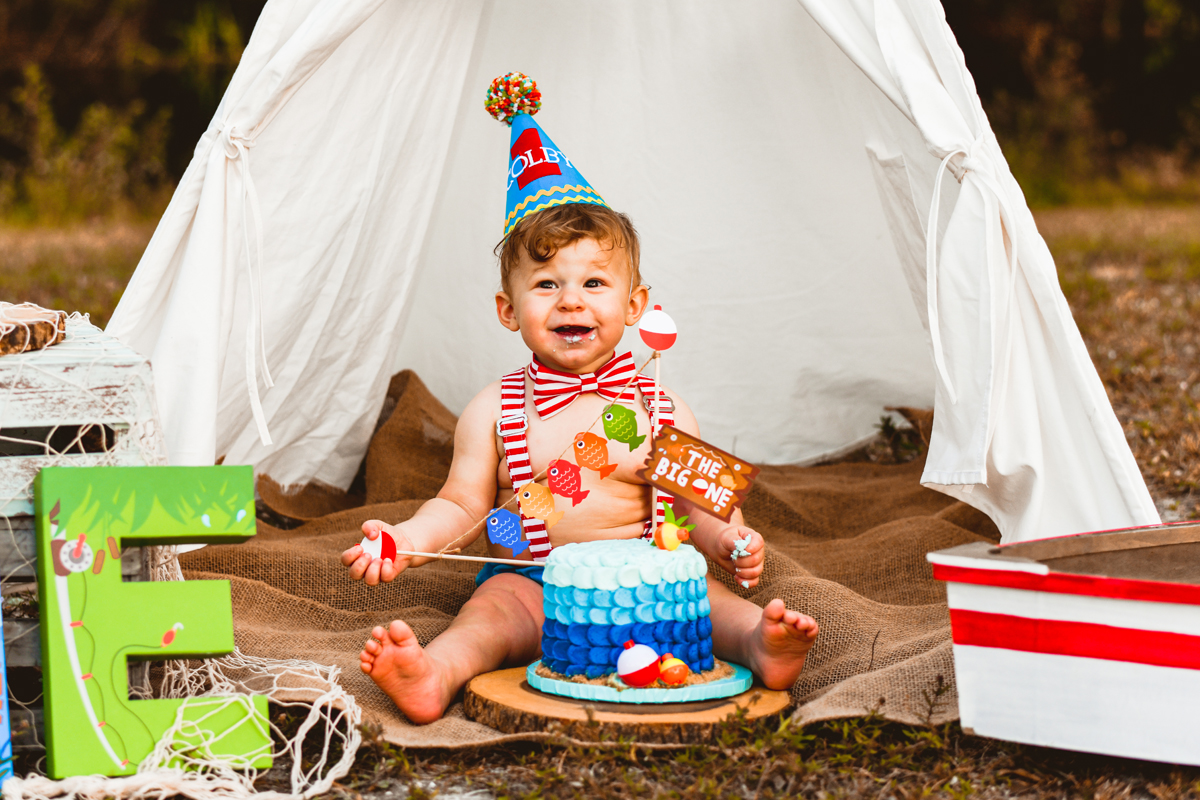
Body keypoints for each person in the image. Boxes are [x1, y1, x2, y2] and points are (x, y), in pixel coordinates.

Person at [339, 76, 818, 724]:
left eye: (594, 281)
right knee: (486, 619)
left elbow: (696, 508)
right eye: (546, 284)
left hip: (648, 581)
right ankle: (435, 673)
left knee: (706, 602)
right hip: (532, 583)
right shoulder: (493, 411)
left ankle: (762, 643)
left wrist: (731, 539)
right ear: (509, 310)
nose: (571, 299)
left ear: (635, 305)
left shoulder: (660, 409)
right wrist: (405, 540)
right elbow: (459, 507)